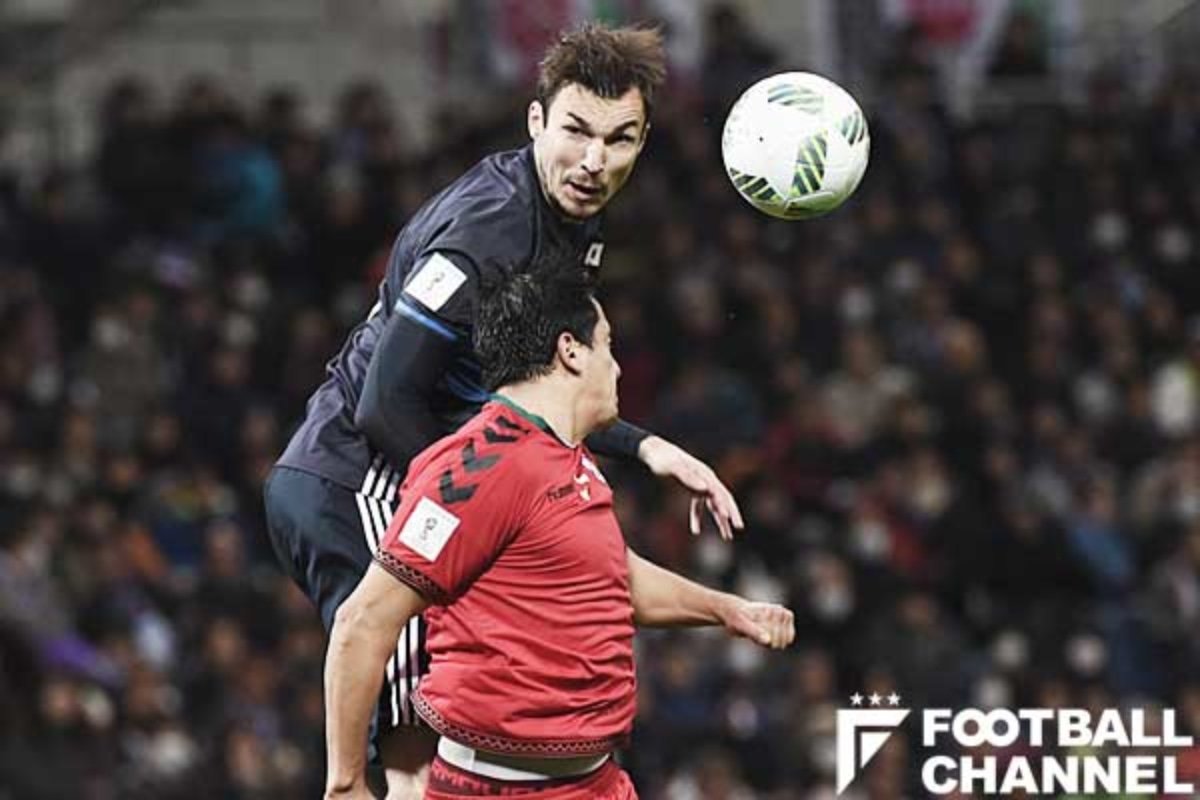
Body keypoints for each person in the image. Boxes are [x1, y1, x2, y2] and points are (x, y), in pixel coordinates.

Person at [264, 22, 745, 798]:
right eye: (576, 131)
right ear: (536, 121)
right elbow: (387, 402)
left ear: (643, 141)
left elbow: (535, 389)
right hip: (352, 474)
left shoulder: (573, 214)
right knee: (418, 750)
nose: (594, 160)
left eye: (618, 139)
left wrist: (645, 446)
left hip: (416, 464)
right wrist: (483, 503)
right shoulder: (487, 234)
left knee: (463, 721)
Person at [323, 270, 795, 799]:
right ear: (571, 351)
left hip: (598, 782)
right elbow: (363, 620)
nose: (617, 366)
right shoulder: (478, 466)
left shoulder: (565, 456)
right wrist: (346, 784)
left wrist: (726, 610)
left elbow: (611, 579)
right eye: (608, 345)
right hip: (497, 789)